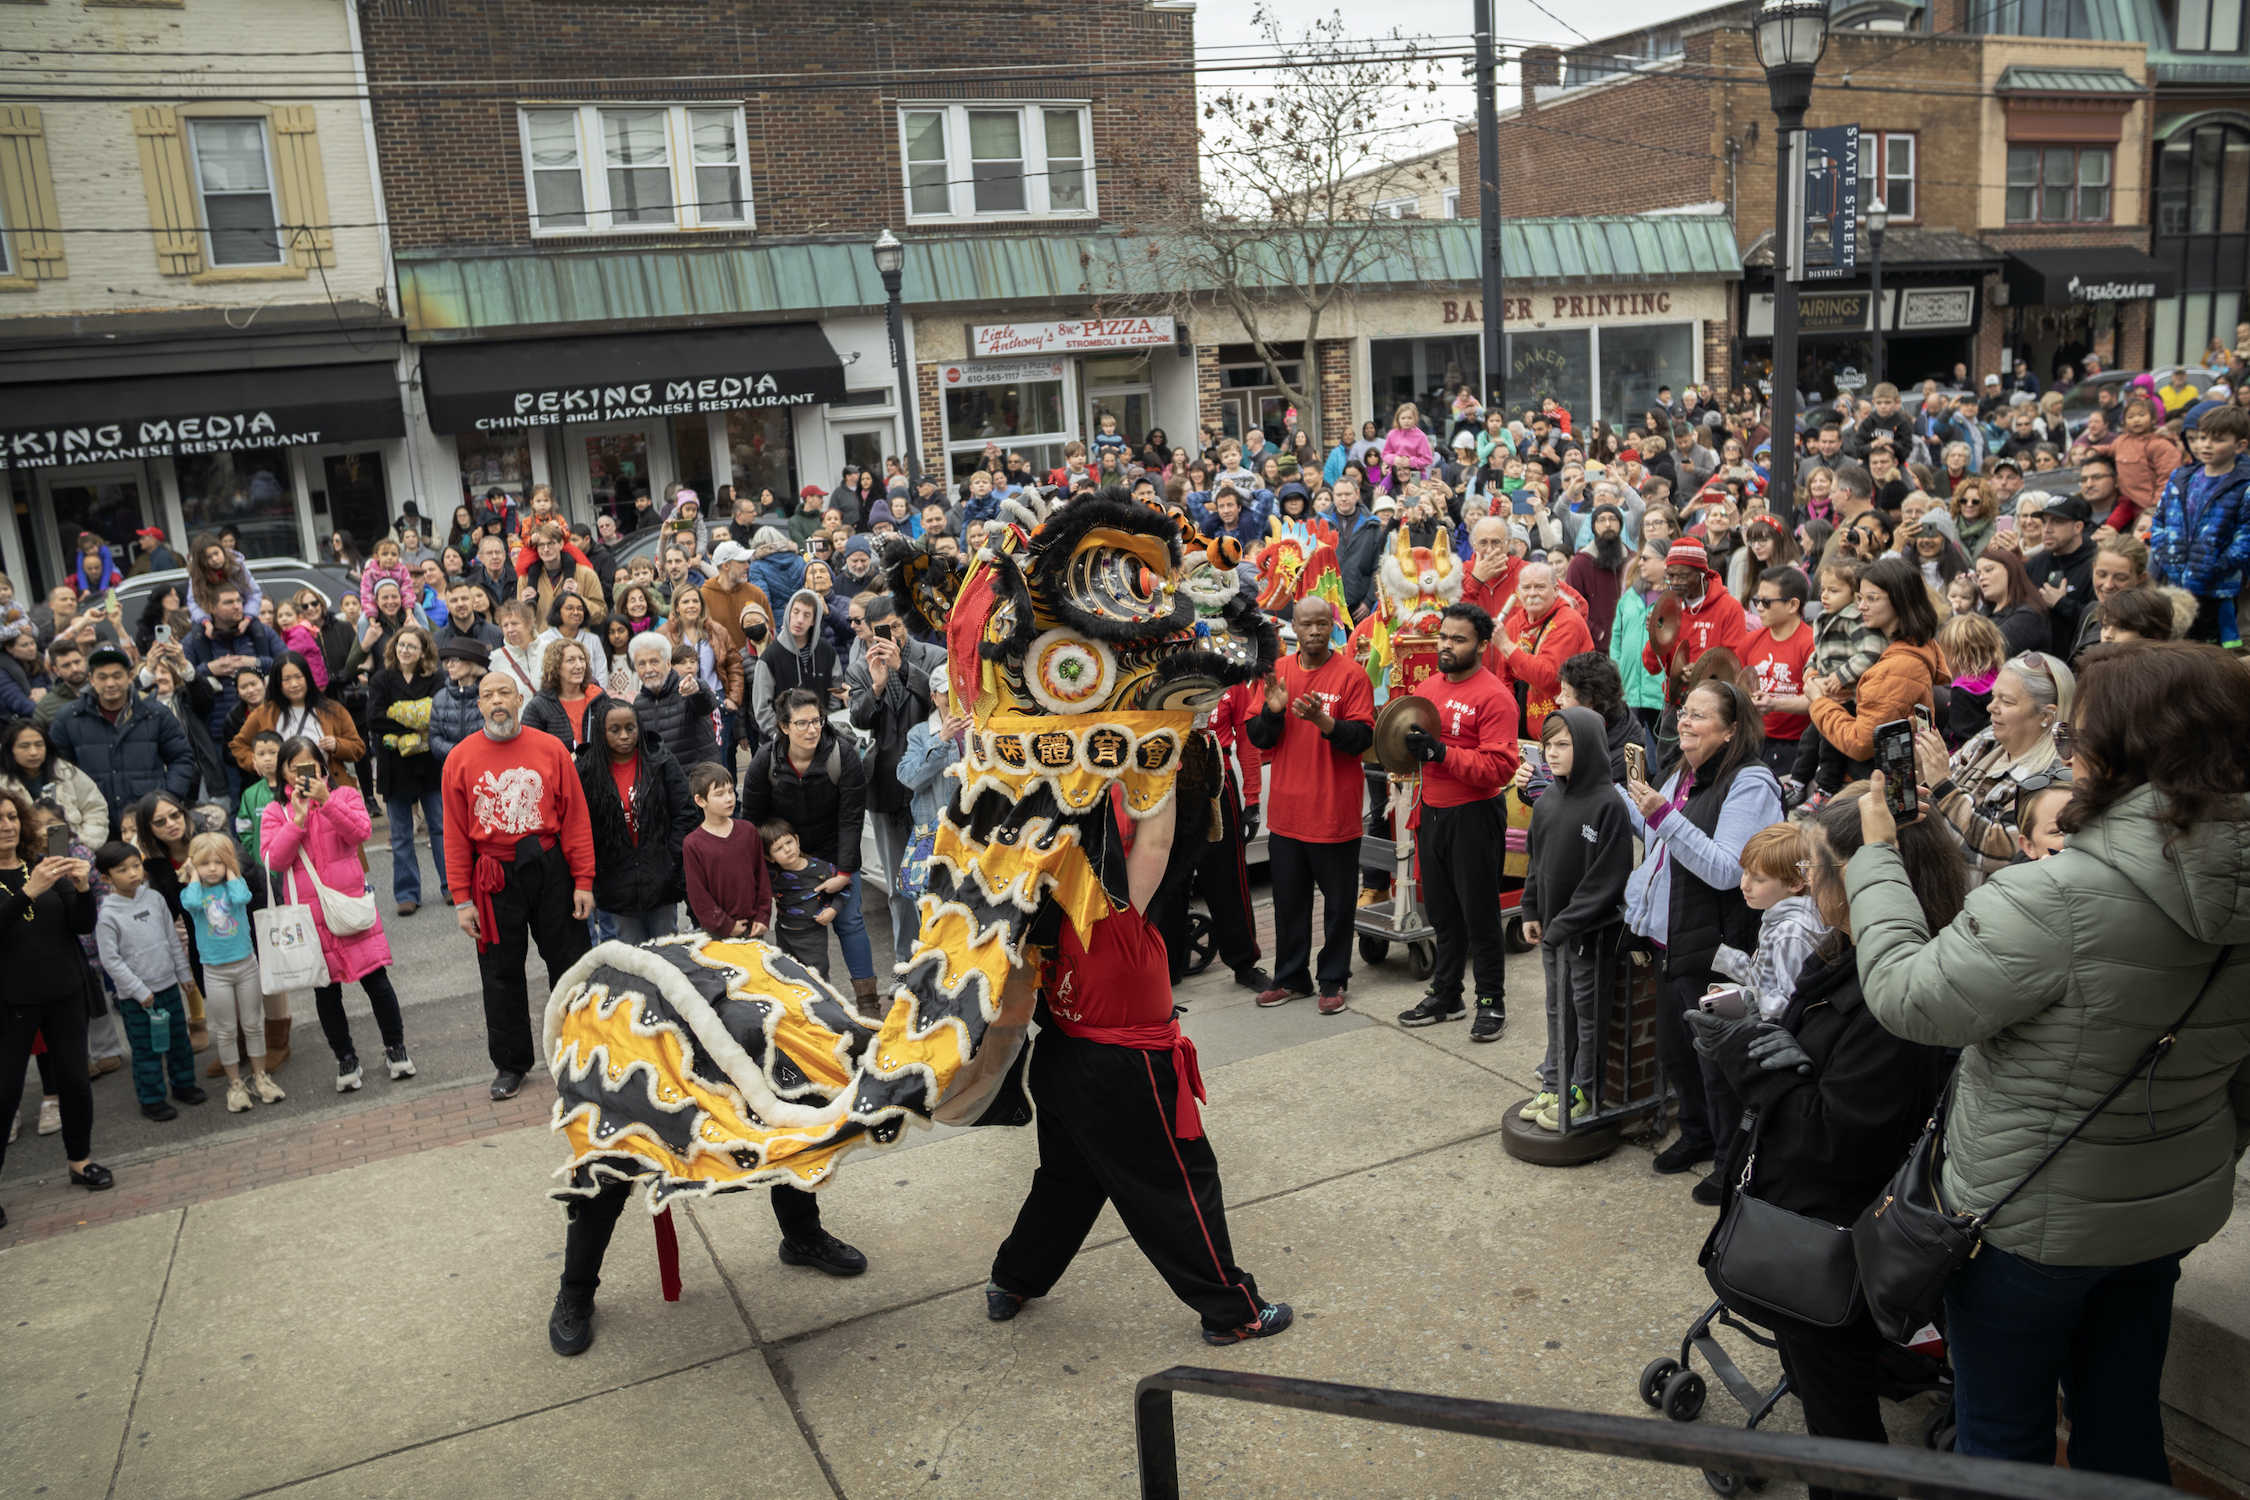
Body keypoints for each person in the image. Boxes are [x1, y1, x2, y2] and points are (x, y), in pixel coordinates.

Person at [1847, 642, 2250, 1481]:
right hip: (2163, 1208)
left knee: (2002, 1439)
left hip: (2028, 1225)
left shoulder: (2061, 894)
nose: (2070, 750)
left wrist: (1877, 857)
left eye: (2079, 736)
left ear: (2129, 749)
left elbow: (1907, 996)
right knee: (2123, 1423)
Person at [1682, 787, 1960, 1497]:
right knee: (1819, 1380)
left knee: (1843, 1433)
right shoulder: (1844, 951)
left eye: (1818, 868)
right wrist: (1765, 1038)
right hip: (1806, 1222)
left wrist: (1747, 1055)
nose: (1810, 884)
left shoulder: (1891, 995)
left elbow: (1831, 1140)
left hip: (1835, 1241)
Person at [985, 789, 1292, 1347]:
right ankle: (1232, 1310)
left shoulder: (1029, 921)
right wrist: (1163, 752)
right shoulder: (1112, 917)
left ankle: (1013, 1279)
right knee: (1179, 1187)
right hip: (1125, 1072)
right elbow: (1157, 836)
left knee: (1068, 1182)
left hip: (1060, 1061)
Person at [1620, 679, 1785, 1181]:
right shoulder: (1681, 773)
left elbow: (1725, 870)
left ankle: (1733, 1162)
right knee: (1678, 1053)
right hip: (1673, 941)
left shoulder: (1750, 783)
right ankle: (1696, 1135)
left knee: (1722, 1060)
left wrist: (1664, 815)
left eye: (1698, 716)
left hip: (1723, 950)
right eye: (1683, 713)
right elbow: (1656, 830)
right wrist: (1602, 790)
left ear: (1732, 729)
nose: (1682, 723)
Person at [441, 673, 594, 1101]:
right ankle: (511, 1063)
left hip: (549, 867)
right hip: (491, 875)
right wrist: (461, 899)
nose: (497, 702)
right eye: (487, 696)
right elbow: (454, 834)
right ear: (479, 705)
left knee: (569, 961)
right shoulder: (459, 758)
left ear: (520, 697)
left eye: (504, 693)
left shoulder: (550, 749)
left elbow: (576, 818)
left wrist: (583, 879)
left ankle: (578, 1051)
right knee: (500, 972)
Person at [1395, 604, 1519, 1039]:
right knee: (1444, 915)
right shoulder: (1428, 687)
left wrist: (1441, 752)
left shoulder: (1495, 696)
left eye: (1458, 639)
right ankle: (1448, 993)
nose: (1446, 646)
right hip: (1431, 812)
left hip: (1474, 815)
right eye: (1443, 637)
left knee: (1481, 916)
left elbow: (1500, 767)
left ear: (1482, 646)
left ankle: (1491, 1001)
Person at [261, 737, 411, 1092]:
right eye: (293, 766)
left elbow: (360, 832)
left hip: (349, 908)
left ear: (321, 765)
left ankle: (396, 1048)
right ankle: (345, 1058)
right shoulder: (275, 812)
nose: (303, 772)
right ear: (283, 772)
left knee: (376, 982)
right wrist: (296, 820)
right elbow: (274, 862)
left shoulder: (343, 795)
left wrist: (326, 803)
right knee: (326, 994)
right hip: (310, 918)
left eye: (309, 764)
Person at [1244, 596, 1373, 1013]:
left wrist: (1323, 721)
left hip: (1334, 812)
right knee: (1288, 903)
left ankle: (1333, 980)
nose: (1314, 631)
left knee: (1338, 905)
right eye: (1306, 625)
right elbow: (1259, 738)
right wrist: (1274, 712)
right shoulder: (1275, 674)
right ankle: (1290, 978)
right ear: (1293, 629)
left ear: (1332, 626)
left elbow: (1362, 739)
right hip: (1287, 815)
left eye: (1321, 624)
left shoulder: (1352, 675)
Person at [1519, 706, 1630, 1129]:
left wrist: (1564, 925)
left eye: (1563, 744)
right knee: (1555, 1008)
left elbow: (1606, 880)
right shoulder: (1548, 799)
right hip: (1551, 933)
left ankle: (1585, 1089)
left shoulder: (1608, 805)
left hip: (1587, 936)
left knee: (1588, 1015)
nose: (1553, 753)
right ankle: (1554, 1080)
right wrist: (1531, 908)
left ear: (1586, 746)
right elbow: (1535, 859)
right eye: (1548, 745)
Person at [0, 790, 108, 1220]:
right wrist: (28, 892)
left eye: (11, 816)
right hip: (11, 1000)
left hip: (65, 990)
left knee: (75, 1084)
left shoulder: (42, 864)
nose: (6, 824)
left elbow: (82, 924)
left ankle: (79, 1162)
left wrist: (80, 886)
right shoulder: (33, 877)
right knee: (4, 1095)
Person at [740, 688, 875, 1013]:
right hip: (788, 857)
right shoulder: (766, 761)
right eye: (802, 723)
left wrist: (844, 872)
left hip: (834, 849)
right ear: (784, 726)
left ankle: (869, 1005)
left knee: (850, 921)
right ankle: (805, 1006)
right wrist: (766, 875)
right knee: (795, 930)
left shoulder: (842, 756)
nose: (812, 729)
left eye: (816, 721)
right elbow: (753, 823)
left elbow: (851, 819)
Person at [1914, 650, 2073, 886]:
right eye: (1993, 696)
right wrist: (1920, 765)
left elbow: (2000, 848)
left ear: (2047, 715)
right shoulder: (1988, 740)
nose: (1991, 707)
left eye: (2006, 701)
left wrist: (1941, 784)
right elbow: (1937, 795)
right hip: (1933, 880)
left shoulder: (2055, 776)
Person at [845, 597, 938, 962]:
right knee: (899, 886)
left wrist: (904, 669)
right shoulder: (860, 668)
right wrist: (878, 687)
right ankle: (906, 963)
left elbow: (945, 706)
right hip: (886, 789)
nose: (891, 636)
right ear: (870, 633)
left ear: (905, 625)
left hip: (932, 783)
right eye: (882, 631)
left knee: (939, 878)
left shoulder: (932, 657)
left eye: (896, 626)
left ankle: (944, 955)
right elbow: (858, 718)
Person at [93, 837, 205, 1120]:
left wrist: (183, 974)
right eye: (122, 870)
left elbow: (171, 938)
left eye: (135, 866)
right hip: (138, 999)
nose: (133, 873)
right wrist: (139, 991)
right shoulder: (108, 915)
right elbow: (111, 961)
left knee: (179, 1040)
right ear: (106, 878)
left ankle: (184, 1085)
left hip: (168, 985)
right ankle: (152, 1099)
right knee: (147, 1050)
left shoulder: (154, 898)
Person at [1804, 557, 1944, 769]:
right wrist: (1813, 673)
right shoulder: (1915, 644)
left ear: (1899, 600)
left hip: (1871, 781)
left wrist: (1818, 701)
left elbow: (1860, 743)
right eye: (1860, 597)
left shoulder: (1896, 668)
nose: (1861, 606)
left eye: (1872, 598)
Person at [178, 831, 282, 1113]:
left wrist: (233, 869)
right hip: (215, 971)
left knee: (253, 1024)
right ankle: (235, 1083)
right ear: (194, 865)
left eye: (218, 862)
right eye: (204, 863)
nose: (212, 868)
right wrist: (193, 876)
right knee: (225, 1030)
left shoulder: (234, 888)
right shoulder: (194, 893)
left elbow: (242, 895)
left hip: (246, 965)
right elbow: (188, 904)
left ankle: (260, 1076)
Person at [577, 700, 694, 944]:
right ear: (601, 732)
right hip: (615, 878)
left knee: (667, 946)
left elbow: (685, 813)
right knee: (631, 951)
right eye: (615, 730)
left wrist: (672, 858)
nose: (624, 736)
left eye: (630, 728)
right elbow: (581, 826)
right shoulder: (586, 771)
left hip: (661, 874)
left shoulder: (661, 761)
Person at [49, 646, 197, 824]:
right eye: (102, 677)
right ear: (91, 679)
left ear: (129, 677)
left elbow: (181, 757)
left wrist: (168, 797)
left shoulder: (156, 713)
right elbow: (57, 768)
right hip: (95, 820)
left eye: (117, 676)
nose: (110, 683)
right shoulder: (69, 717)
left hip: (148, 817)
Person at [2150, 403, 2250, 646]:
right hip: (2177, 584)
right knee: (2177, 647)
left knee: (2214, 651)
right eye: (2202, 437)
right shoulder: (2181, 477)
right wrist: (2165, 554)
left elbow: (2246, 536)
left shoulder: (2244, 485)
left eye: (2217, 440)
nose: (2205, 445)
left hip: (2216, 589)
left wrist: (2217, 566)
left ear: (2239, 446)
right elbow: (2160, 519)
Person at [366, 625, 448, 916]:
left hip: (429, 762)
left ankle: (450, 885)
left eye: (412, 646)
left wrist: (400, 714)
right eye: (401, 644)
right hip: (395, 764)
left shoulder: (435, 677)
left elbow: (438, 714)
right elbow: (374, 719)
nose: (405, 650)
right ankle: (407, 893)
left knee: (440, 826)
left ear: (423, 650)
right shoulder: (381, 679)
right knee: (401, 833)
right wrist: (415, 721)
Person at [1743, 566, 1815, 779]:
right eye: (1757, 602)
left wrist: (1774, 703)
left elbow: (1819, 701)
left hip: (1795, 746)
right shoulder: (1750, 640)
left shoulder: (1811, 644)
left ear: (1793, 604)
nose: (1759, 609)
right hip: (1753, 740)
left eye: (1766, 602)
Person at [1, 717, 109, 847]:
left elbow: (96, 809)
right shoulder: (3, 783)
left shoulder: (66, 772)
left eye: (39, 745)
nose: (34, 752)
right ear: (10, 750)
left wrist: (82, 845)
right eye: (24, 746)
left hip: (73, 852)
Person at [628, 631, 720, 769]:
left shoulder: (687, 687)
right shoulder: (639, 703)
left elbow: (706, 704)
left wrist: (697, 689)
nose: (648, 669)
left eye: (654, 662)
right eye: (642, 664)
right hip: (666, 784)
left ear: (668, 664)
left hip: (699, 779)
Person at [522, 637, 607, 753]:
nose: (579, 665)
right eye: (570, 660)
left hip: (597, 770)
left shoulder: (599, 698)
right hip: (558, 769)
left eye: (582, 659)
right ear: (555, 666)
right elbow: (529, 748)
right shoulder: (538, 706)